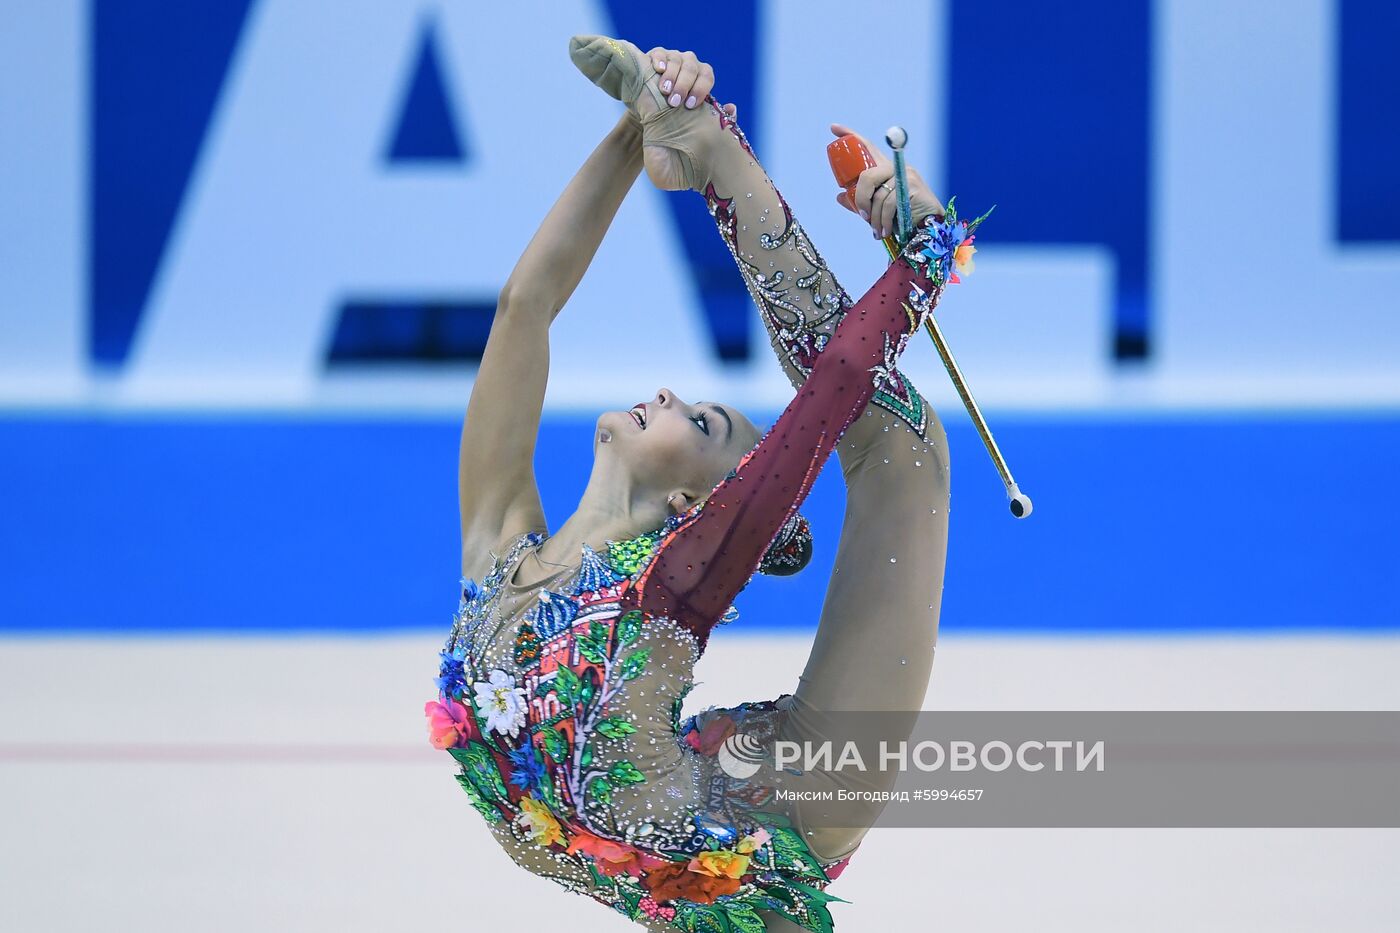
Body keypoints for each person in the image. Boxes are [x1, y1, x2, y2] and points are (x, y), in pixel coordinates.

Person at [426, 34, 985, 931]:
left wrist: (926, 259)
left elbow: (838, 389)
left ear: (697, 505)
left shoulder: (668, 587)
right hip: (707, 796)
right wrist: (640, 120)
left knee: (904, 450)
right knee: (889, 438)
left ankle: (713, 151)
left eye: (701, 422)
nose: (667, 394)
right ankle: (699, 143)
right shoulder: (498, 555)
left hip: (788, 807)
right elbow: (524, 308)